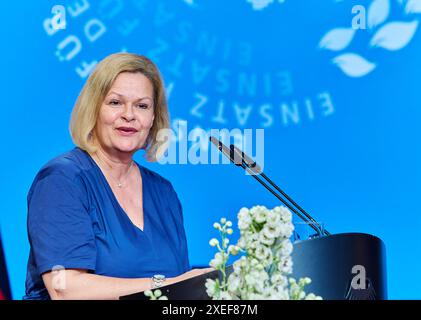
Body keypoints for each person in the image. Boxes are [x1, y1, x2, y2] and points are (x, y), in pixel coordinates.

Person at [23, 53, 211, 300]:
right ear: (94, 109)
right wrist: (167, 284)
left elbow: (177, 295)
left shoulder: (163, 192)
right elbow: (65, 289)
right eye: (115, 103)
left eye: (142, 106)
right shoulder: (62, 180)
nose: (129, 115)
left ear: (153, 118)